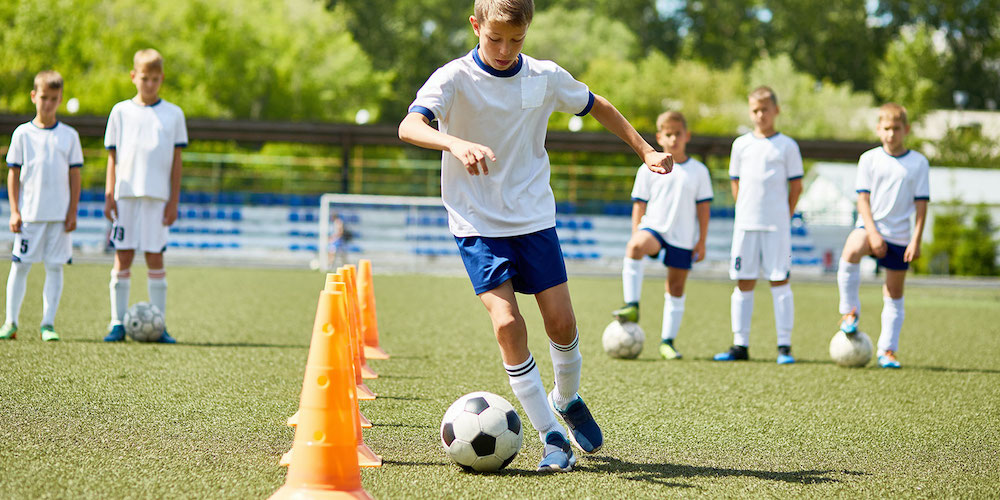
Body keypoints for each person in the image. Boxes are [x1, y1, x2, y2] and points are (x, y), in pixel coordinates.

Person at [398, 0, 673, 472]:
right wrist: (455, 142)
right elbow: (409, 126)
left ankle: (566, 399)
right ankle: (551, 435)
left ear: (528, 32)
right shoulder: (453, 78)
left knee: (561, 323)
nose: (505, 49)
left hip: (533, 218)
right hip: (476, 221)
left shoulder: (544, 76)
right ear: (476, 26)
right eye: (495, 38)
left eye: (516, 39)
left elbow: (597, 105)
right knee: (507, 323)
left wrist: (645, 149)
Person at [611, 111, 712, 360]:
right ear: (660, 137)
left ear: (687, 136)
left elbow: (703, 208)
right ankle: (632, 306)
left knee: (676, 287)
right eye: (669, 134)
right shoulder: (648, 167)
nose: (674, 138)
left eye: (678, 134)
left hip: (684, 236)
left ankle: (667, 342)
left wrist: (701, 241)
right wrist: (636, 232)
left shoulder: (698, 171)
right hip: (654, 229)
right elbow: (639, 203)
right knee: (634, 247)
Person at [102, 48, 187, 343]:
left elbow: (177, 161)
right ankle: (117, 323)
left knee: (155, 258)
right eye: (144, 78)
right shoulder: (120, 112)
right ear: (133, 76)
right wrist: (109, 192)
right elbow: (112, 156)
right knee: (122, 256)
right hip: (126, 196)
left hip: (157, 198)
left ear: (161, 78)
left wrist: (174, 199)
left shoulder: (174, 114)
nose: (149, 83)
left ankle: (159, 325)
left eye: (154, 79)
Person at [714, 86, 803, 364]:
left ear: (776, 110)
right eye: (755, 110)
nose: (760, 115)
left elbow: (796, 186)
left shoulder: (787, 146)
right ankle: (740, 345)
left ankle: (784, 346)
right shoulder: (740, 145)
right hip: (746, 226)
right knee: (743, 282)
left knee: (780, 281)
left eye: (765, 109)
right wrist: (745, 211)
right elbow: (736, 182)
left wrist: (783, 216)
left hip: (777, 227)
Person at [836, 103, 928, 369]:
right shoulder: (869, 159)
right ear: (878, 129)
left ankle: (887, 351)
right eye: (886, 129)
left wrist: (916, 239)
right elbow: (862, 200)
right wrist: (873, 233)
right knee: (852, 248)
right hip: (871, 228)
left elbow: (922, 205)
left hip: (900, 237)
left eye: (896, 129)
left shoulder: (918, 163)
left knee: (894, 294)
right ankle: (849, 311)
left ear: (906, 130)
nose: (891, 134)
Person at [0, 70, 83, 342]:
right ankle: (11, 322)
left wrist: (72, 212)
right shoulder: (23, 134)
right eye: (44, 97)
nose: (48, 103)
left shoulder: (69, 136)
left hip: (58, 217)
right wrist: (15, 210)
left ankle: (48, 324)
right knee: (20, 266)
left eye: (54, 99)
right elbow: (13, 173)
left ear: (60, 100)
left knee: (55, 267)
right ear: (34, 96)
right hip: (30, 216)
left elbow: (75, 175)